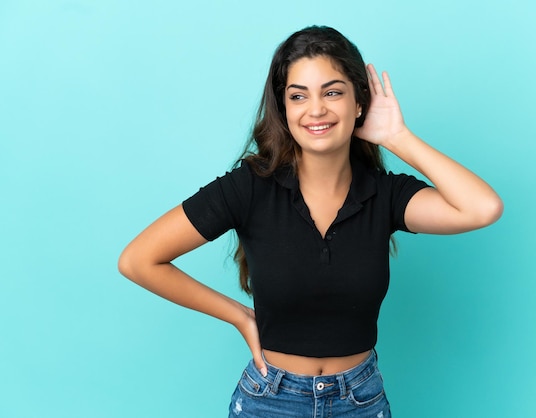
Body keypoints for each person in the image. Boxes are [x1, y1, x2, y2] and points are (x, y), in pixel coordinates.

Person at [118, 25, 503, 417]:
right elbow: (138, 260)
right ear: (284, 109)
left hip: (360, 401)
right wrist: (239, 316)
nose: (315, 109)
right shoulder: (250, 187)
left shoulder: (386, 195)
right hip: (270, 400)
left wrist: (396, 136)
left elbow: (481, 208)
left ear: (359, 103)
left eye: (332, 92)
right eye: (298, 96)